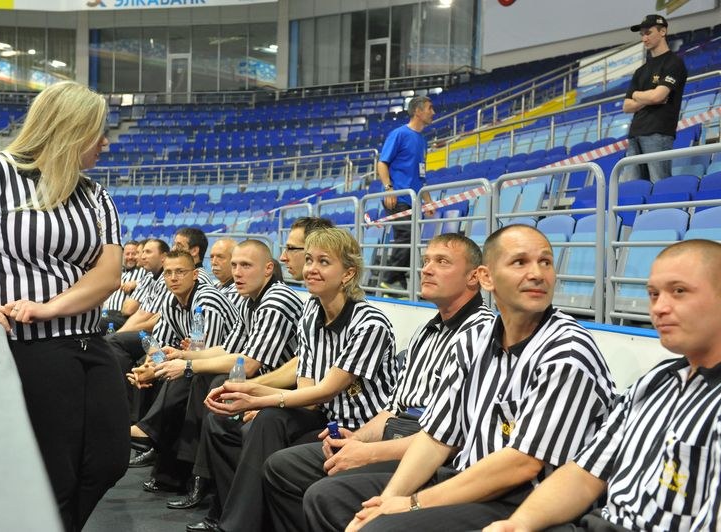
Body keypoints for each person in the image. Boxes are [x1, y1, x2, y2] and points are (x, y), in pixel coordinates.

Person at [303, 224, 616, 532]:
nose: (537, 273)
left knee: (384, 527)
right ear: (486, 277)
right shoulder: (474, 341)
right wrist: (387, 500)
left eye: (545, 262)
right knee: (326, 498)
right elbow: (437, 438)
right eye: (520, 262)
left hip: (525, 504)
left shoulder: (567, 351)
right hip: (465, 479)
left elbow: (523, 464)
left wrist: (411, 504)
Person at [0, 81, 128, 532]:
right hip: (30, 350)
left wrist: (50, 306)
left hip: (90, 340)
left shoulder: (96, 194)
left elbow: (108, 274)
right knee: (54, 472)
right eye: (97, 132)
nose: (105, 143)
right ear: (69, 130)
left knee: (110, 460)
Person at [262, 234, 495, 532]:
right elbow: (392, 409)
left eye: (442, 262)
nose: (426, 269)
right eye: (425, 261)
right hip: (396, 434)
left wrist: (367, 453)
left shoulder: (481, 334)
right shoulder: (428, 330)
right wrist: (356, 441)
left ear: (475, 277)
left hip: (431, 453)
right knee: (282, 467)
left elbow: (448, 440)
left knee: (325, 492)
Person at [484, 239, 721, 532]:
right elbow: (583, 475)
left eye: (679, 292)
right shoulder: (654, 382)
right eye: (653, 294)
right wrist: (518, 525)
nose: (659, 307)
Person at [190, 227, 398, 532]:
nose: (312, 269)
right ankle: (237, 521)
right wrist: (247, 391)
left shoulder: (369, 322)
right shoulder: (312, 313)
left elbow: (325, 391)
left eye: (324, 262)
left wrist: (257, 397)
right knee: (260, 419)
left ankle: (236, 523)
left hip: (363, 429)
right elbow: (307, 389)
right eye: (310, 260)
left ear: (348, 274)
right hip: (326, 420)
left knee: (265, 419)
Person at [130, 240, 304, 498]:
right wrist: (176, 357)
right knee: (172, 371)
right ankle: (180, 470)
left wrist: (187, 363)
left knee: (197, 378)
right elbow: (226, 348)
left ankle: (186, 470)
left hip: (276, 382)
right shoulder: (247, 299)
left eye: (245, 265)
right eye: (235, 264)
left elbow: (245, 360)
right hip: (253, 374)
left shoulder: (216, 300)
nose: (237, 272)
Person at [377, 95, 436, 293]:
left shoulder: (422, 141)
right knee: (406, 237)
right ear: (418, 111)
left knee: (410, 241)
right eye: (429, 108)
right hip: (398, 197)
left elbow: (421, 175)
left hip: (414, 200)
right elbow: (382, 163)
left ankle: (397, 284)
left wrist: (427, 201)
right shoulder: (399, 134)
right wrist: (389, 189)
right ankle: (390, 279)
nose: (433, 112)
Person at [622, 14, 687, 183]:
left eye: (648, 33)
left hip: (659, 132)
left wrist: (638, 95)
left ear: (663, 31)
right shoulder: (640, 70)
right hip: (635, 133)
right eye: (642, 34)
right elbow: (626, 106)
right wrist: (646, 97)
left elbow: (658, 96)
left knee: (659, 185)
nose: (644, 38)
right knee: (632, 190)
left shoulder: (674, 63)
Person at [100, 240, 146, 330]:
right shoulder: (117, 271)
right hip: (107, 313)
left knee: (97, 323)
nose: (130, 257)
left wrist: (136, 283)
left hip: (125, 317)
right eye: (127, 254)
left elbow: (153, 279)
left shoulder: (143, 271)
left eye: (134, 254)